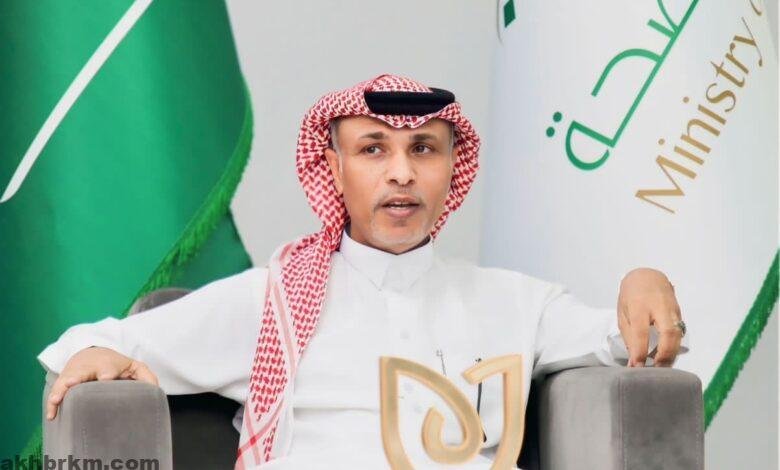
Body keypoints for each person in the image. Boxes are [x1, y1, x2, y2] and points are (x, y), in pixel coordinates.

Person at [38, 74, 688, 469]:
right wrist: (96, 352)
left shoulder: (515, 302)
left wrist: (644, 282)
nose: (401, 173)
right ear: (335, 168)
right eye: (373, 149)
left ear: (450, 168)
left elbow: (627, 340)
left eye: (423, 149)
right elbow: (100, 342)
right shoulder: (274, 301)